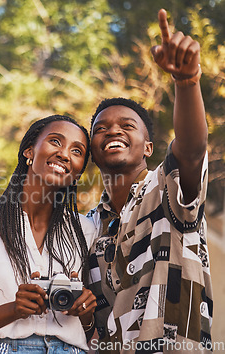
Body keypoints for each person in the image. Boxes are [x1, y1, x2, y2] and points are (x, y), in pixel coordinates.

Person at [86, 9, 212, 353]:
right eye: (101, 128)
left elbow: (191, 150)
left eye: (127, 126)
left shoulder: (168, 191)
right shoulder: (87, 229)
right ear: (92, 152)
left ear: (148, 147)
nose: (112, 129)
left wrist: (187, 82)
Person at [0, 115, 97, 353]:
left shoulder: (86, 230)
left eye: (77, 151)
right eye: (56, 142)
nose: (65, 154)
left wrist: (86, 312)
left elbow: (93, 330)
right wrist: (14, 309)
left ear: (78, 172)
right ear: (29, 151)